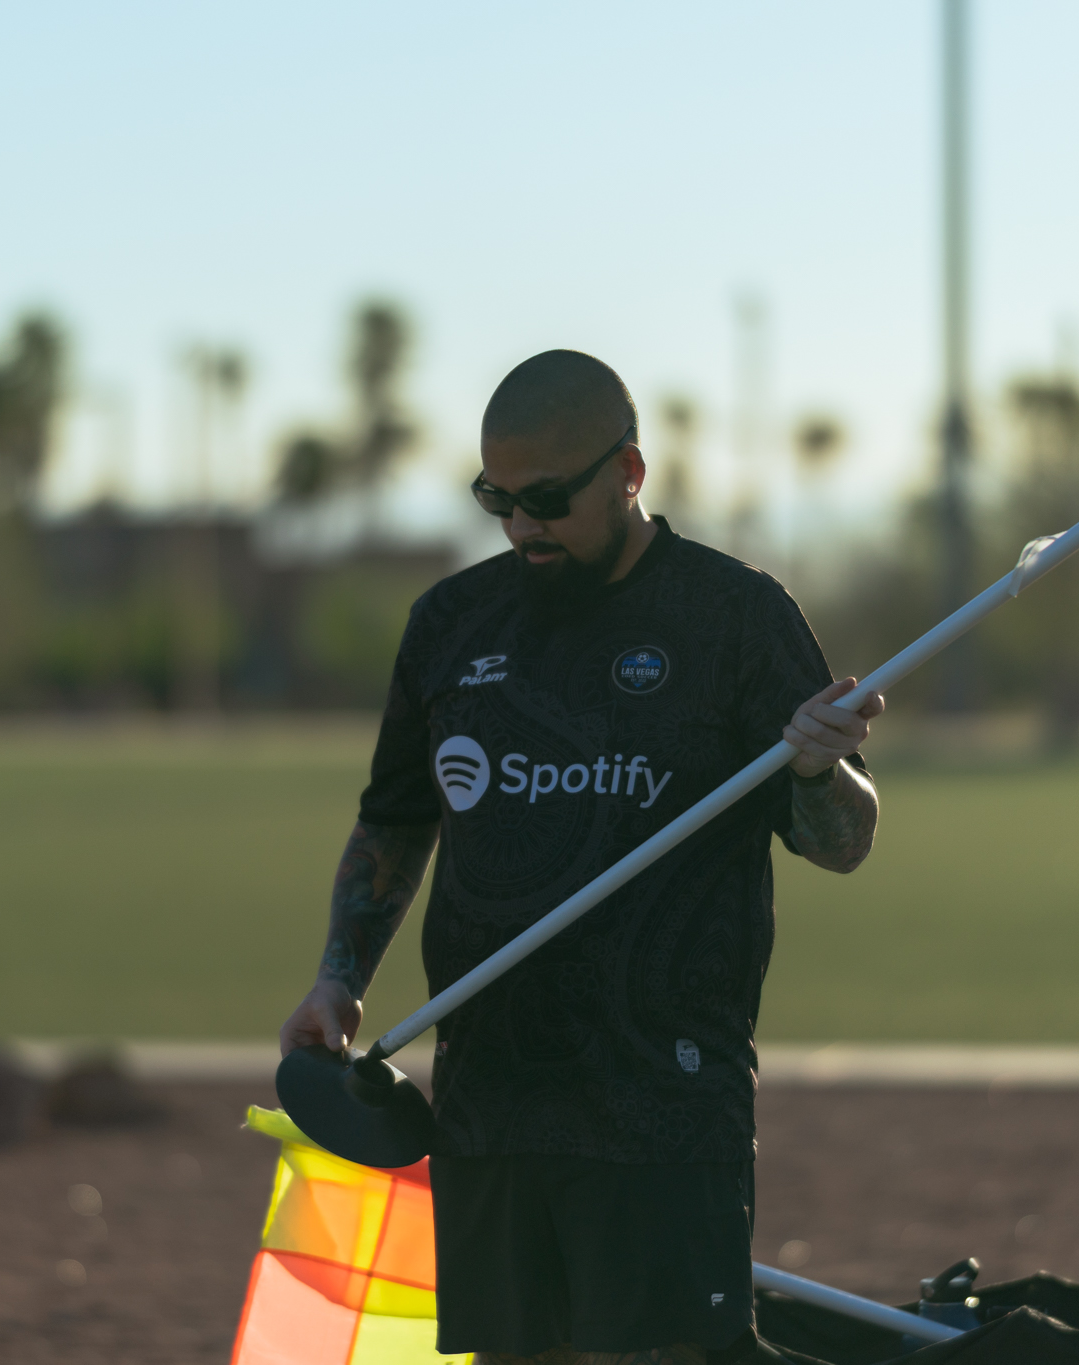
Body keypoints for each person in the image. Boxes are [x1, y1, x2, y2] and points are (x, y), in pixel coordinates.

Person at [278, 350, 882, 1365]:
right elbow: (392, 822)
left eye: (548, 500)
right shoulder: (450, 624)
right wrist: (339, 976)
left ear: (628, 473)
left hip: (662, 1108)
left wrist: (820, 775)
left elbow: (845, 843)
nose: (521, 528)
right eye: (496, 500)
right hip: (486, 1106)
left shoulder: (734, 617)